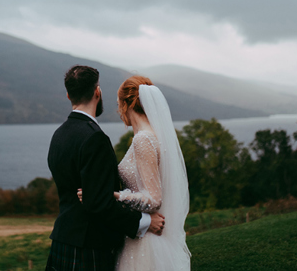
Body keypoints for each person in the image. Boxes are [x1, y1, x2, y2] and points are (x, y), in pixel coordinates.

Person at [46, 65, 166, 271]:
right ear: (97, 92)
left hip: (61, 241)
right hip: (89, 247)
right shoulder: (95, 139)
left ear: (68, 95)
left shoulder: (58, 135)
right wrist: (143, 222)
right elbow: (99, 203)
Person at [79, 75, 191, 270]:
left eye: (118, 104)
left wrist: (113, 195)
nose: (118, 111)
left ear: (126, 104)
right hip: (143, 235)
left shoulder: (143, 140)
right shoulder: (150, 135)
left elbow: (154, 199)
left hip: (145, 243)